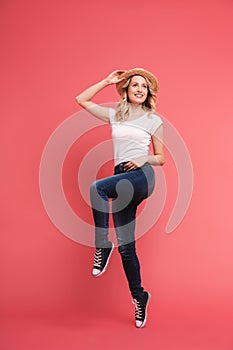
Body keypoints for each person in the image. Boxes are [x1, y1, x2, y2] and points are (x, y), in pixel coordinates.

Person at [75, 68, 165, 328]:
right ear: (126, 90)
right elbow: (81, 99)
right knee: (126, 247)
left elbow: (161, 158)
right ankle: (140, 297)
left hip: (141, 175)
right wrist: (106, 81)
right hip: (120, 177)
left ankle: (102, 245)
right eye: (134, 85)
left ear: (148, 93)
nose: (139, 89)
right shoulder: (116, 115)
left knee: (97, 188)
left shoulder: (153, 119)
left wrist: (142, 159)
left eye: (144, 87)